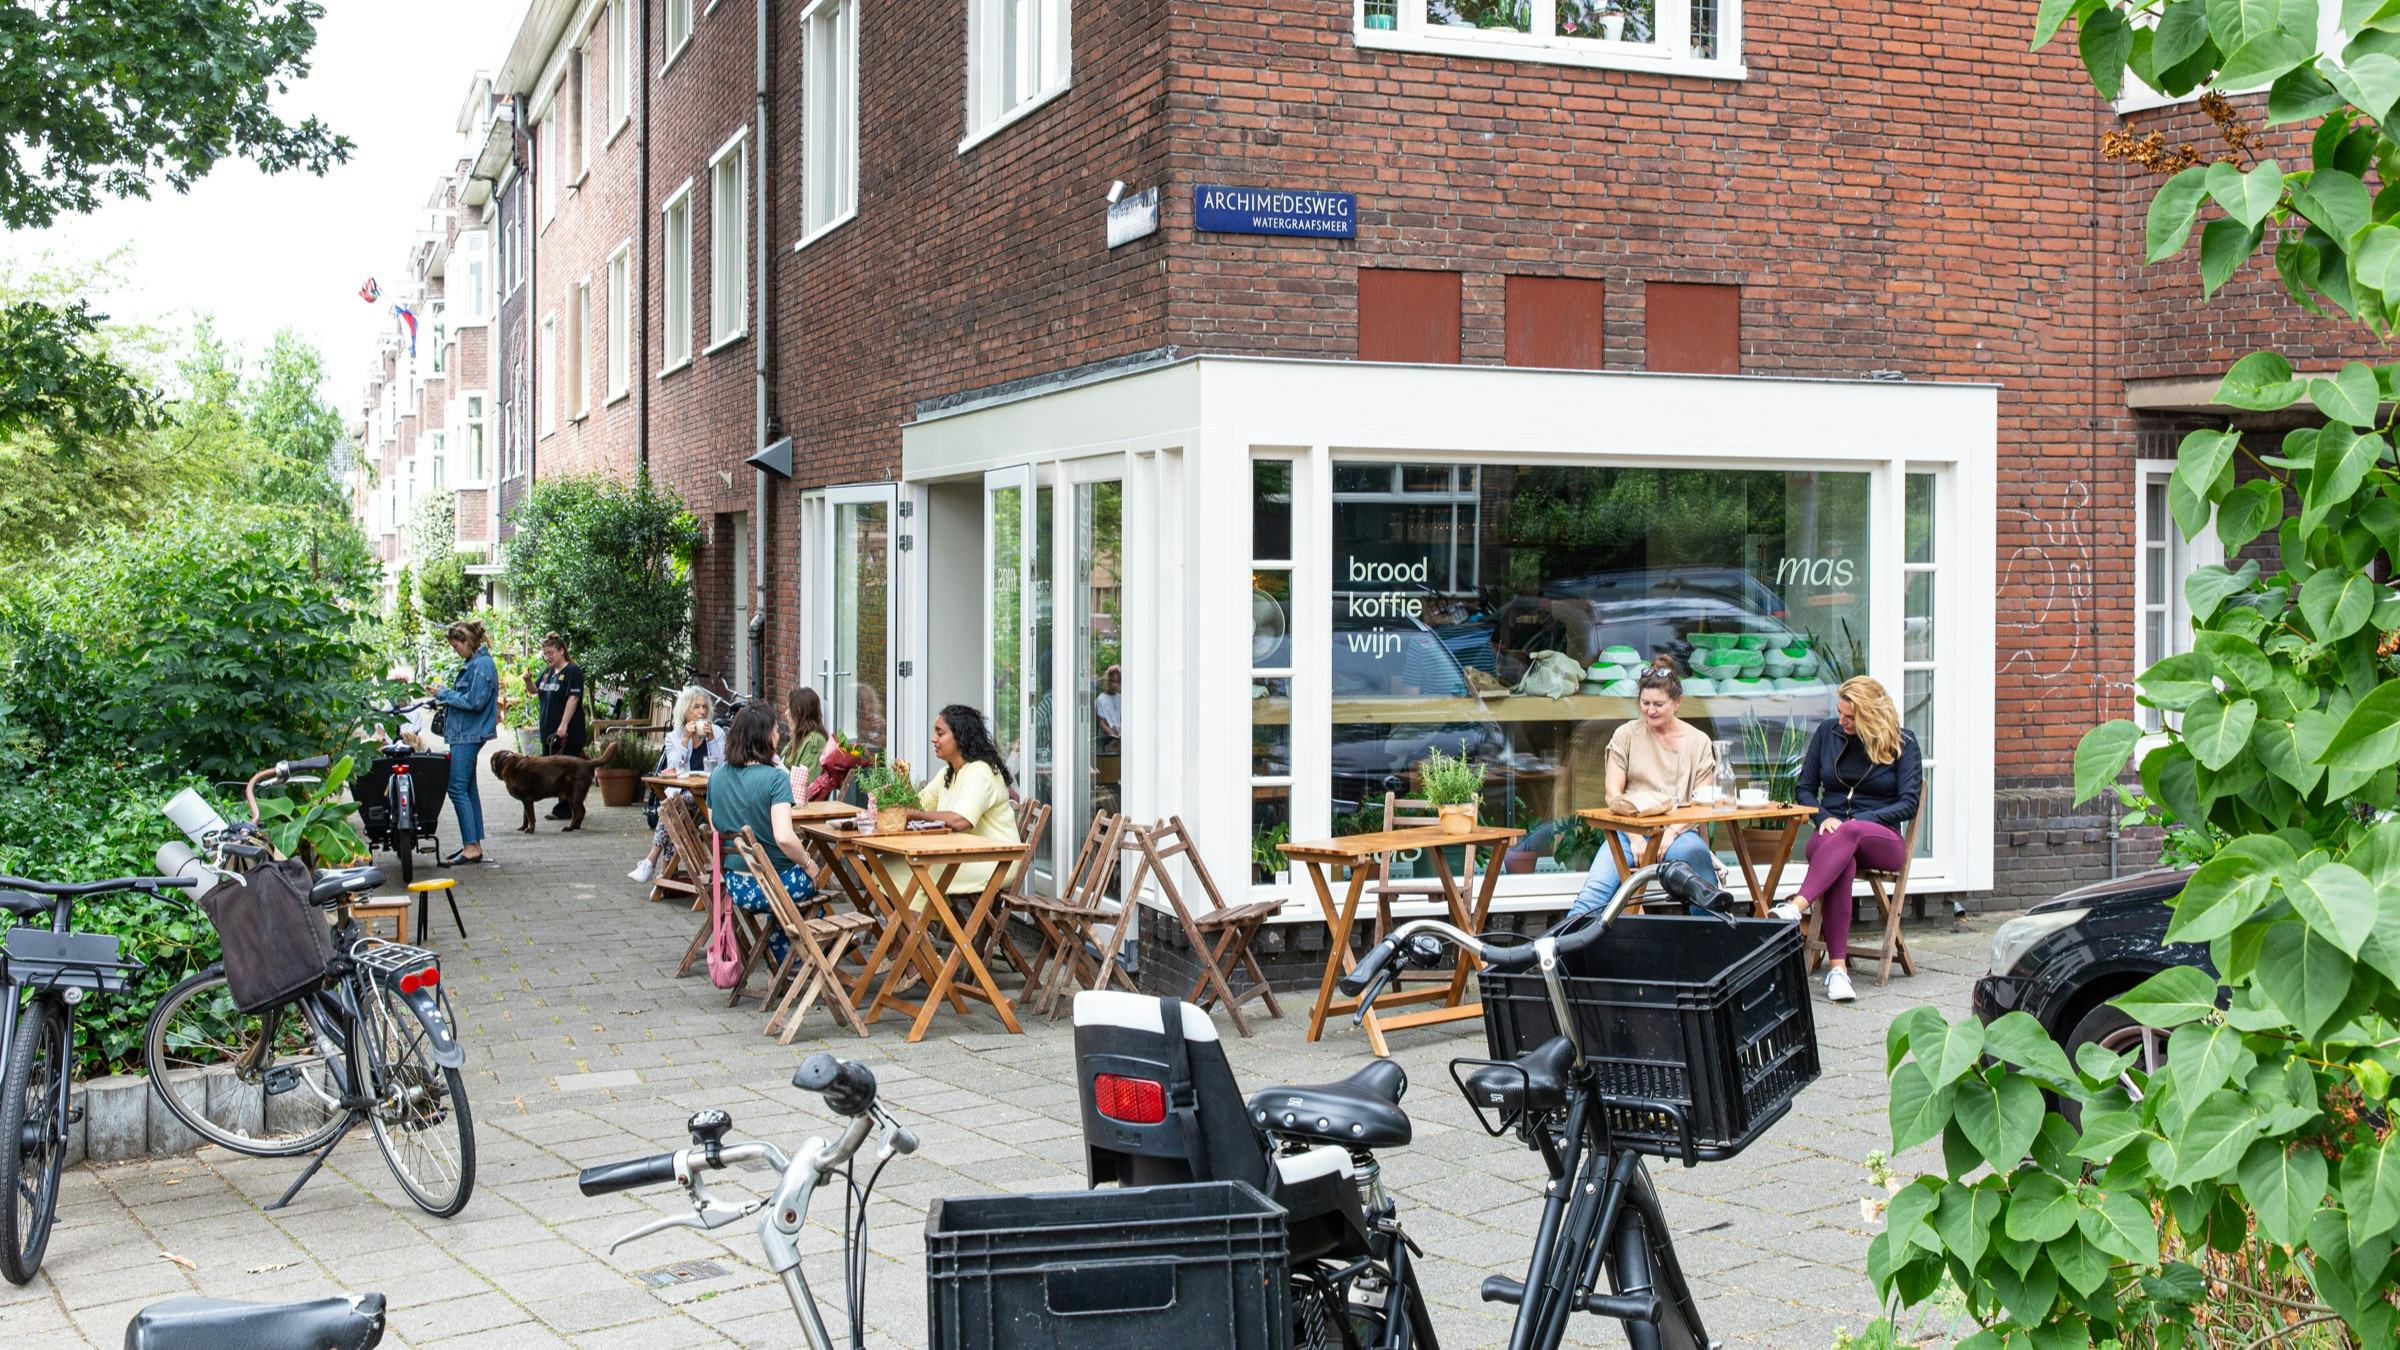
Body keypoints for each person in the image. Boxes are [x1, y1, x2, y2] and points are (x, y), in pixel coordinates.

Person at [1770, 676, 1923, 1004]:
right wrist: (1823, 817)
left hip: (1880, 839)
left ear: (1871, 716)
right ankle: (1838, 972)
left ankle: (1798, 905)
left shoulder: (1903, 743)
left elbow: (1907, 803)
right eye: (1840, 713)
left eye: (1850, 717)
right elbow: (1805, 788)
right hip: (1830, 838)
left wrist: (1857, 821)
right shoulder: (1828, 734)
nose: (1842, 721)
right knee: (1843, 861)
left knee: (1850, 833)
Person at [1569, 665, 1719, 919]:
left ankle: (1714, 953)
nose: (1650, 710)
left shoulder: (1698, 741)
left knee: (1705, 891)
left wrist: (1671, 833)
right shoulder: (1626, 735)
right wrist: (1635, 837)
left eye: (1658, 704)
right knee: (1593, 894)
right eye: (1645, 703)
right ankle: (1560, 953)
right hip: (1630, 833)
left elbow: (1704, 801)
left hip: (1680, 832)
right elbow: (1612, 795)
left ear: (1678, 702)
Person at [710, 703, 820, 968]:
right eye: (775, 731)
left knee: (796, 898)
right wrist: (807, 863)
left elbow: (716, 829)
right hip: (775, 885)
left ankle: (789, 955)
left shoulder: (716, 777)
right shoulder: (775, 779)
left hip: (737, 886)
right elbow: (784, 836)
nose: (778, 735)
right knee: (814, 880)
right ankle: (806, 952)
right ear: (765, 737)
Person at [891, 705, 1022, 905]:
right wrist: (902, 782)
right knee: (888, 864)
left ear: (961, 737)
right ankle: (911, 932)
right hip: (963, 855)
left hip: (996, 861)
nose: (933, 739)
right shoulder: (947, 773)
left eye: (940, 733)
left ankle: (915, 933)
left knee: (911, 870)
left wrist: (913, 813)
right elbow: (917, 805)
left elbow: (961, 820)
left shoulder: (981, 772)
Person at [629, 687, 726, 883]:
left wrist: (712, 740)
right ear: (685, 710)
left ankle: (652, 861)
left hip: (710, 796)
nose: (702, 712)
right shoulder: (674, 737)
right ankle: (667, 873)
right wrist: (685, 739)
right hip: (682, 795)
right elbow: (674, 767)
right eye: (696, 707)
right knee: (675, 810)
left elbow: (721, 767)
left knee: (671, 807)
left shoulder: (717, 733)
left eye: (704, 707)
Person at [428, 619, 498, 865]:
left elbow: (474, 702)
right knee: (468, 788)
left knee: (457, 788)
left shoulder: (481, 665)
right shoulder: (475, 663)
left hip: (468, 734)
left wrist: (444, 694)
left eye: (456, 646)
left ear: (467, 642)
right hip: (464, 733)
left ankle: (471, 846)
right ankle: (473, 844)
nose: (455, 651)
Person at [529, 633, 587, 818]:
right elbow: (535, 690)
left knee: (566, 772)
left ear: (562, 651)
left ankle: (566, 808)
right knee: (553, 770)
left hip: (566, 734)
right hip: (548, 731)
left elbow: (573, 698)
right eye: (545, 654)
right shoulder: (547, 672)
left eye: (551, 653)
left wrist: (563, 725)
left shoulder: (572, 672)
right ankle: (568, 806)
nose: (548, 657)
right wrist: (527, 680)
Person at [784, 687, 829, 801]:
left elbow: (808, 785)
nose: (786, 713)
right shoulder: (799, 739)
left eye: (789, 708)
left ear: (798, 711)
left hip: (803, 809)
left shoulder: (815, 742)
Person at [1094, 666, 1123, 741]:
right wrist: (1115, 737)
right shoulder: (1101, 699)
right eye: (1112, 681)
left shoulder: (1121, 698)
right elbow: (1102, 724)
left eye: (1117, 682)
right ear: (1107, 681)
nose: (1115, 685)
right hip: (1106, 738)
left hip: (1119, 735)